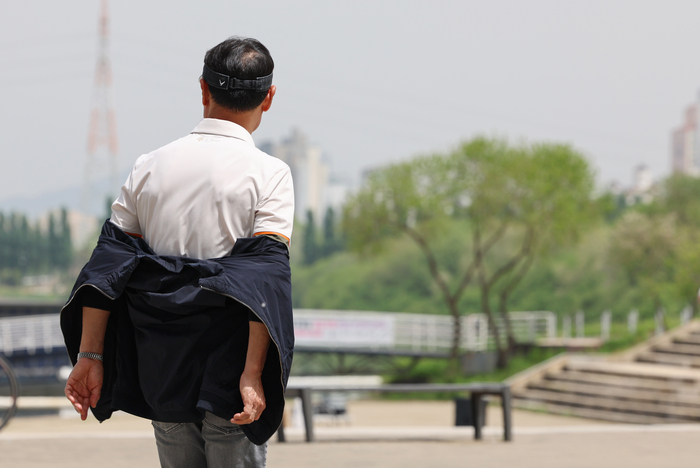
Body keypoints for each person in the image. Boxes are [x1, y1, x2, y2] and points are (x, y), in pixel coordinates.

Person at [61, 36, 294, 468]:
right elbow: (264, 278)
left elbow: (107, 267)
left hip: (161, 365)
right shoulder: (270, 175)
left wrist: (90, 356)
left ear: (203, 89)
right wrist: (253, 373)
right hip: (229, 370)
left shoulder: (149, 166)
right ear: (269, 97)